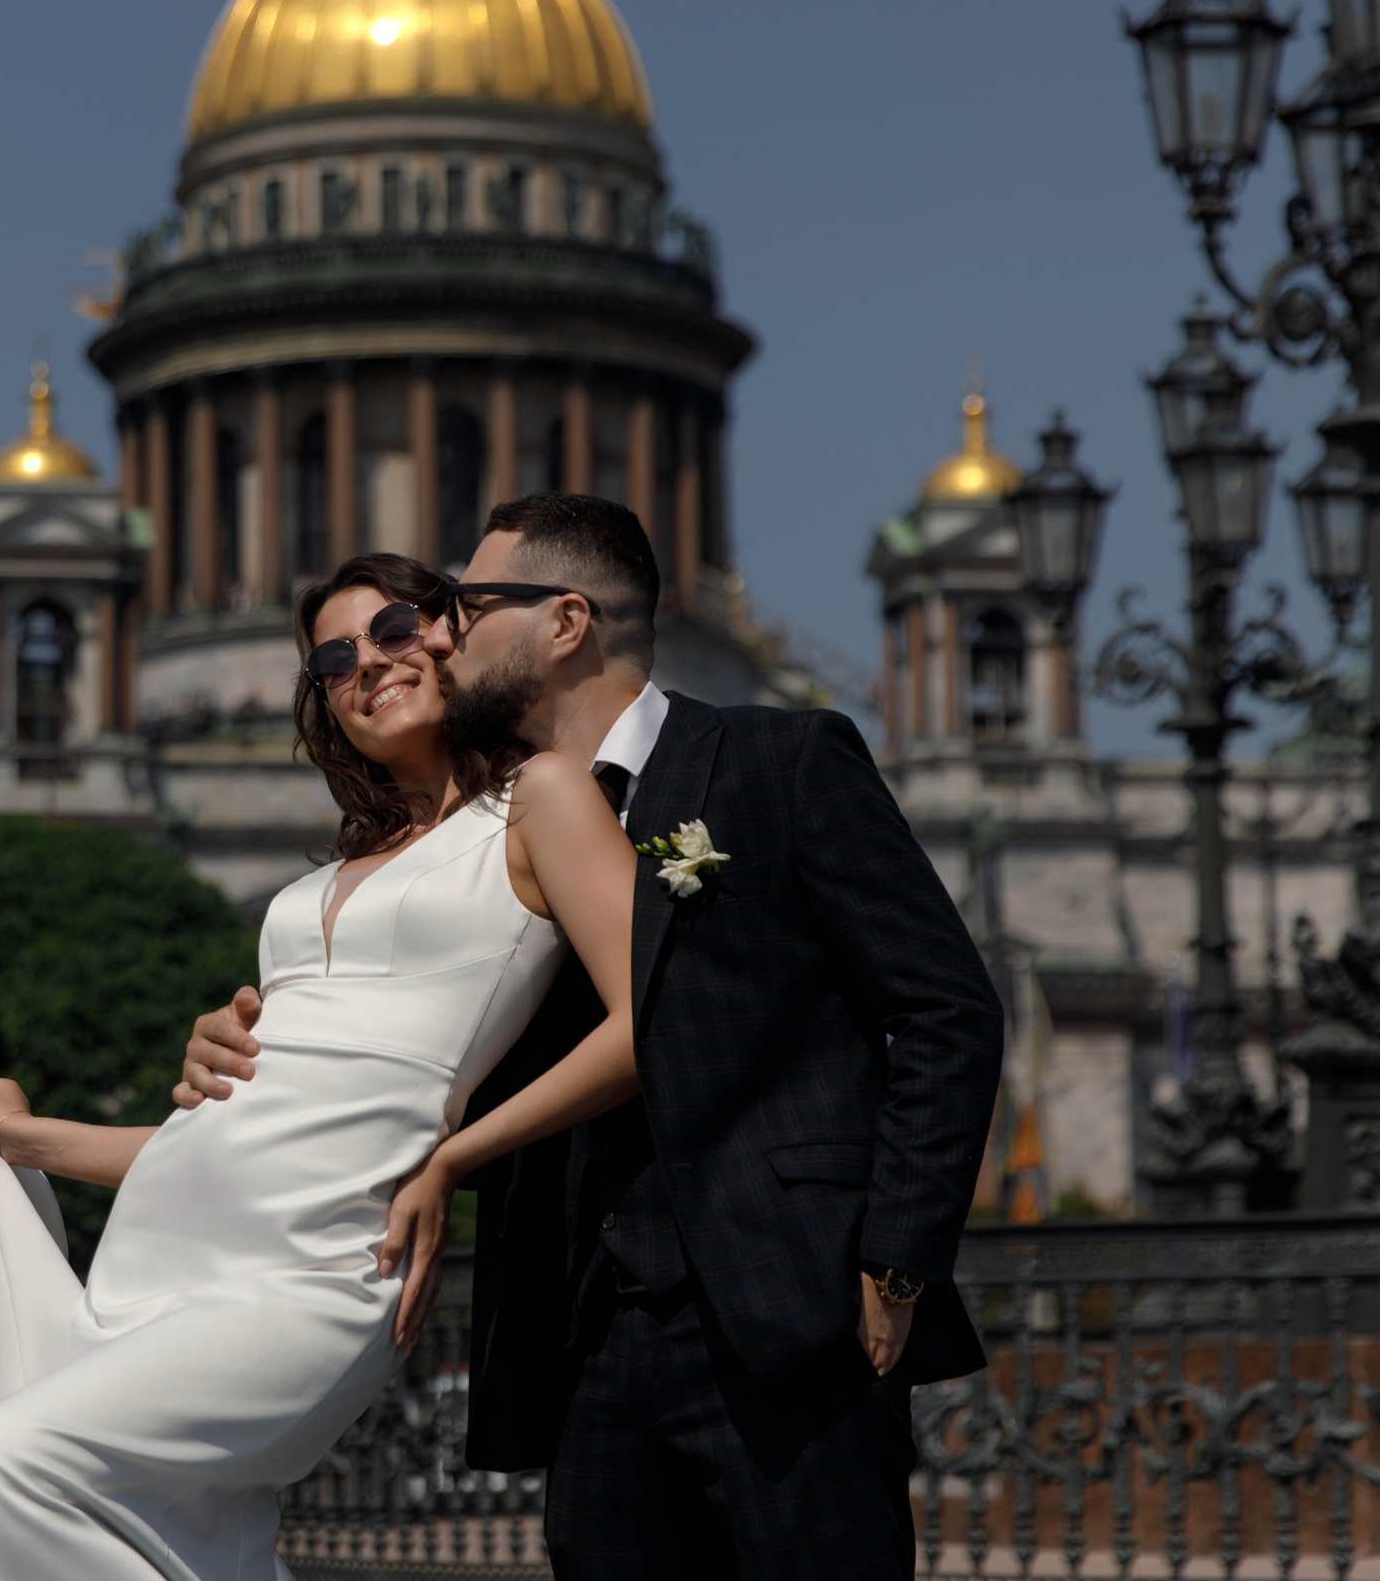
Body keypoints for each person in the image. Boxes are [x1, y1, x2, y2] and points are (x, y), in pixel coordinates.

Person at [177, 494, 1004, 1581]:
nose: (437, 635)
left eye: (466, 609)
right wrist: (248, 1052)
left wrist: (894, 1263)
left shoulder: (778, 759)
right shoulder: (474, 848)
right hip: (581, 1340)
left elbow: (944, 1007)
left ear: (565, 621)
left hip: (789, 1320)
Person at [0, 549, 652, 1581]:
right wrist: (20, 1135)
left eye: (396, 630)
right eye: (335, 655)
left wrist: (454, 1159)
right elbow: (234, 1124)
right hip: (154, 1265)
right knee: (195, 1546)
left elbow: (645, 1019)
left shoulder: (538, 800)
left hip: (313, 1272)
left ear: (450, 637)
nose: (369, 661)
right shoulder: (329, 877)